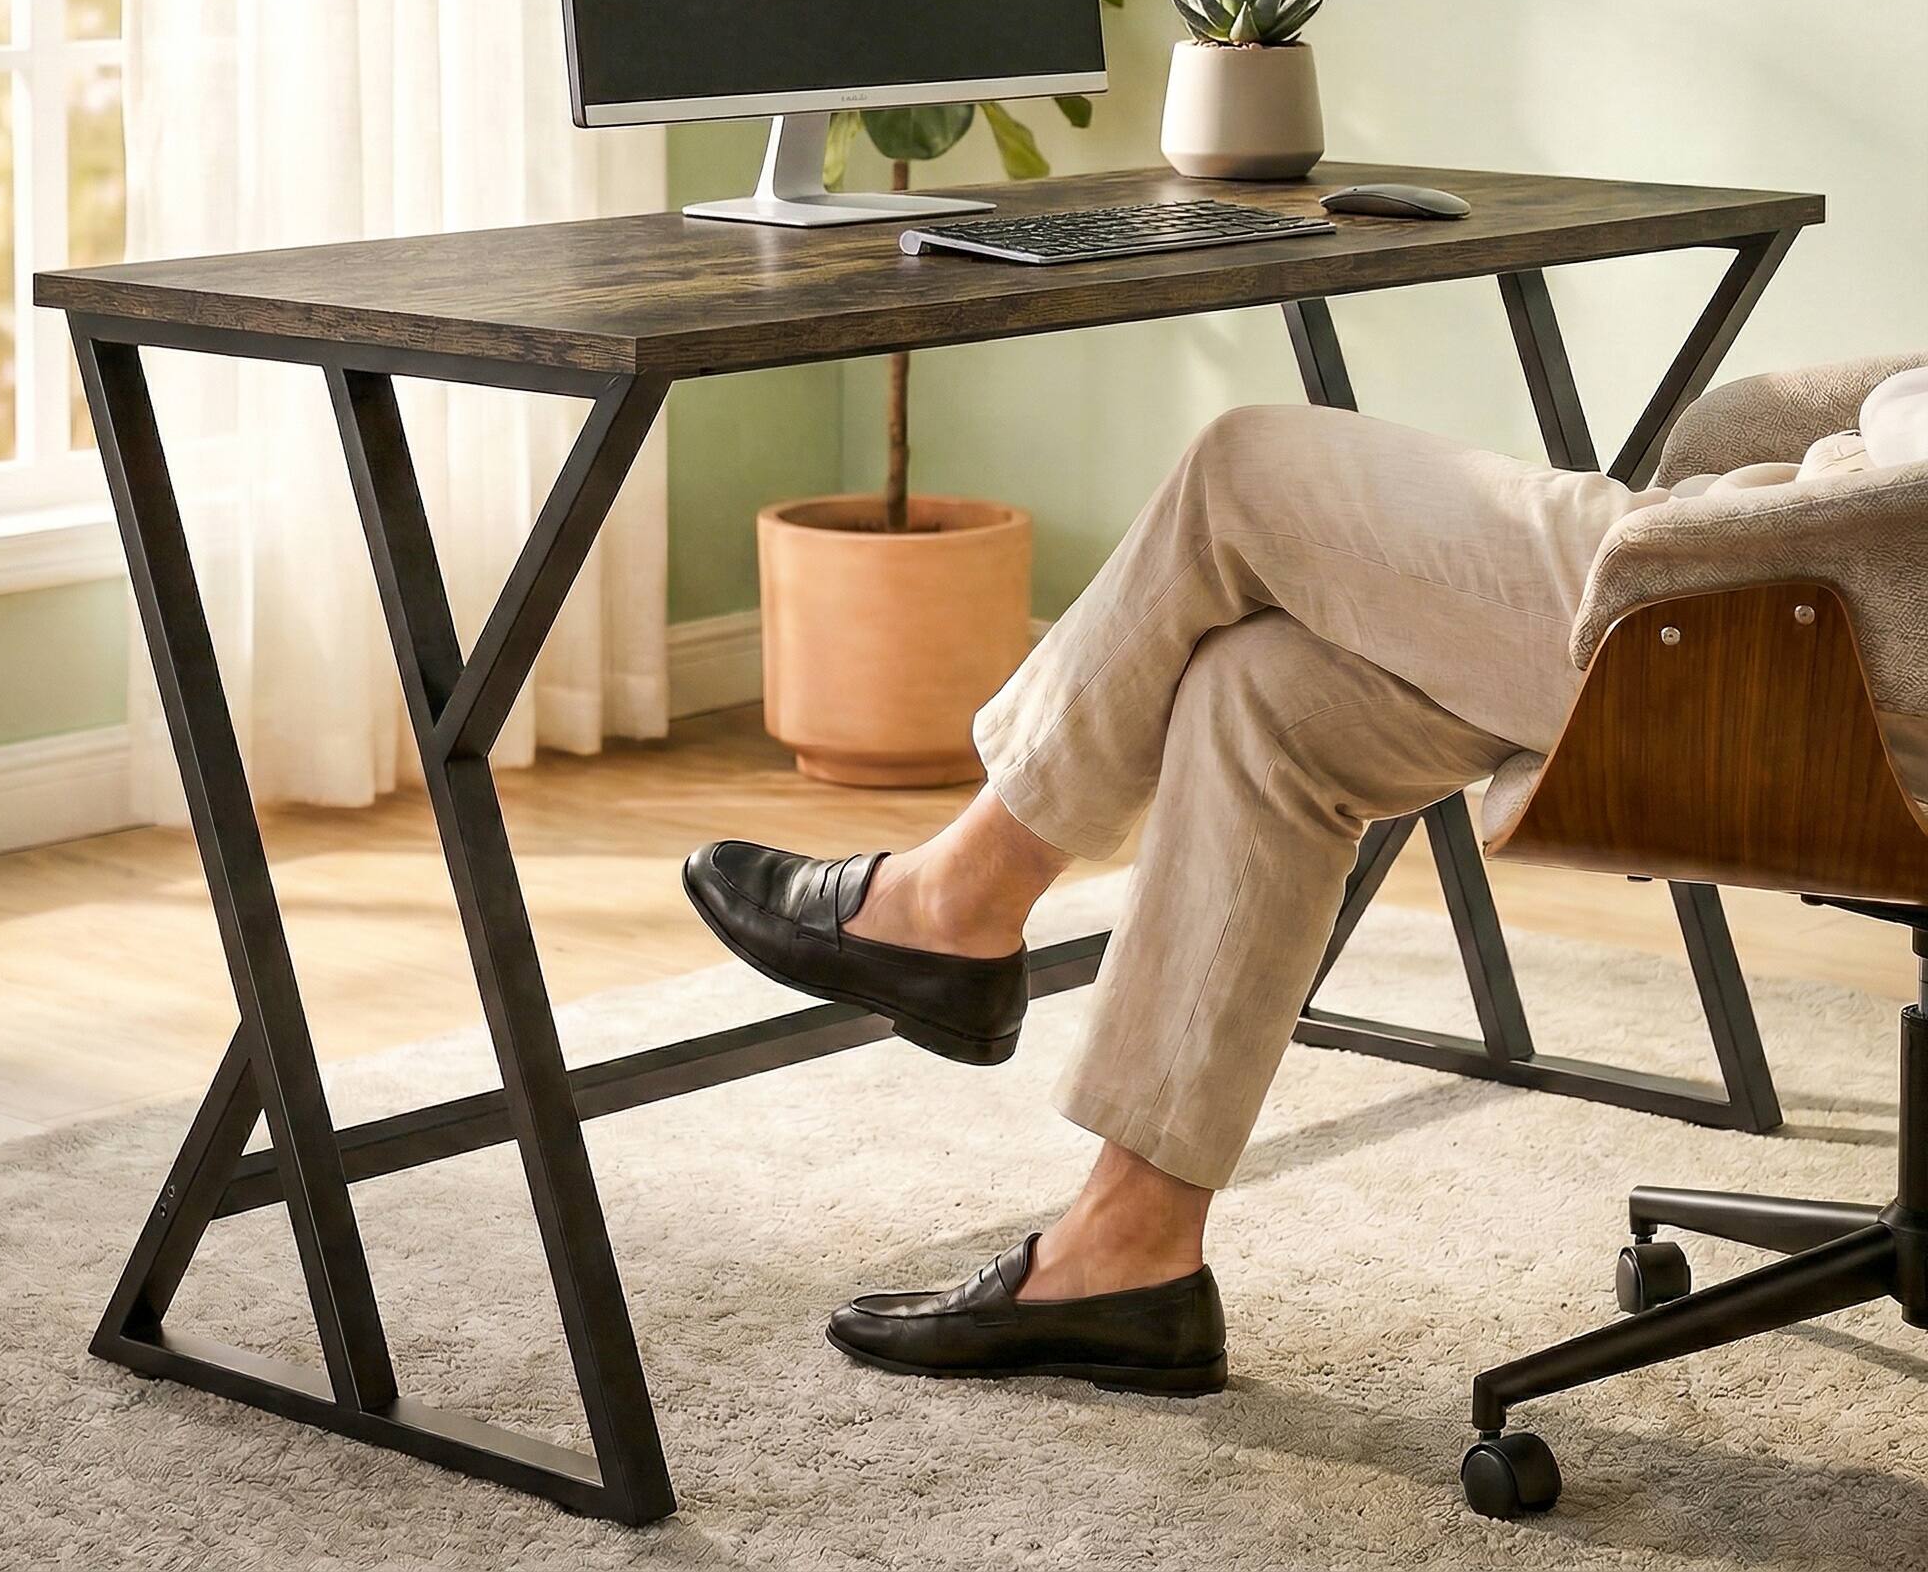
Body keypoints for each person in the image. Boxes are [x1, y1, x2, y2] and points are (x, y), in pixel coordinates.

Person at [683, 379, 1922, 1396]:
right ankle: (1129, 1251)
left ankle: (954, 899)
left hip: (1834, 611)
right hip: (1828, 566)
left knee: (1244, 467)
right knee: (1261, 692)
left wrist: (1834, 460)